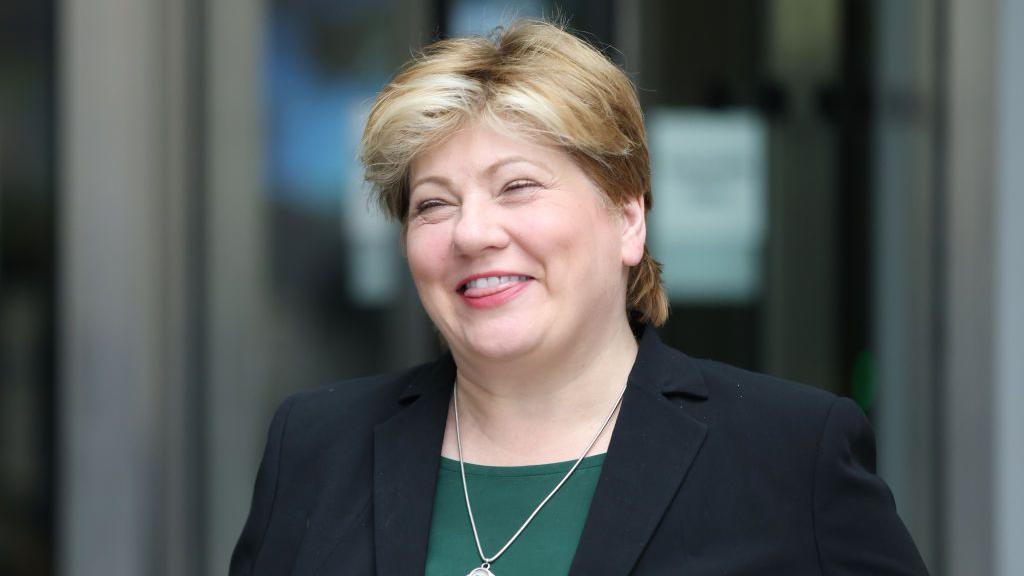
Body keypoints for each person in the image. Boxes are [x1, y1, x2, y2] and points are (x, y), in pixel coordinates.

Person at [230, 20, 929, 576]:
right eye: (433, 205)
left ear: (628, 219)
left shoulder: (789, 456)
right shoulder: (316, 449)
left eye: (517, 186)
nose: (471, 233)